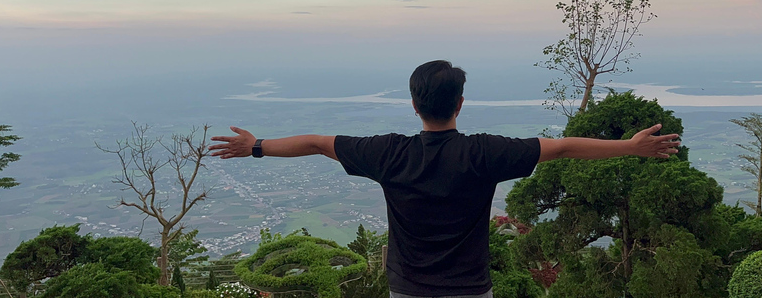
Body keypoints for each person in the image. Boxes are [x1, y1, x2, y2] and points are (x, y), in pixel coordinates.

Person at [209, 60, 680, 298]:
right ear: (459, 103)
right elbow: (561, 147)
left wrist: (255, 146)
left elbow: (314, 141)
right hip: (470, 288)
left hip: (407, 287)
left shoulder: (388, 153)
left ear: (415, 104)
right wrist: (632, 146)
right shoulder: (485, 153)